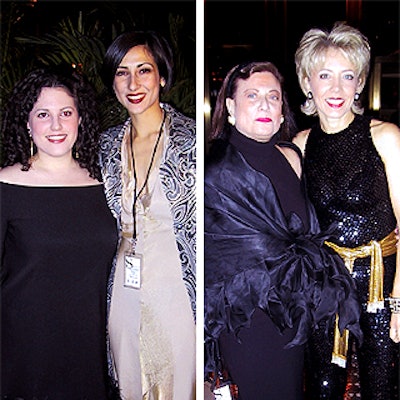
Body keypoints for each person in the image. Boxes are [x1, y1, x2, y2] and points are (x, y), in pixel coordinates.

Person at [204, 60, 364, 400]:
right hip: (248, 315)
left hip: (294, 307)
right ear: (231, 106)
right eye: (252, 95)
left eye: (273, 96)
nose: (264, 104)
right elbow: (213, 255)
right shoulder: (215, 169)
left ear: (281, 110)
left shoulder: (292, 155)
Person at [293, 21, 400, 400]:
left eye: (347, 76)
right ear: (308, 82)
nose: (336, 89)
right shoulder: (300, 145)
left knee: (382, 383)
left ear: (359, 83)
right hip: (327, 280)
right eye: (324, 75)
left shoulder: (385, 136)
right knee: (323, 381)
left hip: (381, 284)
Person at [0, 66, 119, 399]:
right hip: (22, 355)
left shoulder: (104, 185)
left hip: (87, 350)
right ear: (26, 122)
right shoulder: (6, 186)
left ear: (80, 118)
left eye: (66, 112)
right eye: (43, 114)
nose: (56, 125)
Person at [99, 30, 196, 400]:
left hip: (177, 286)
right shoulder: (104, 145)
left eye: (144, 70)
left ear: (162, 77)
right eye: (122, 73)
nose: (133, 83)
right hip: (123, 287)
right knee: (130, 382)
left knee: (177, 383)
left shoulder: (192, 141)